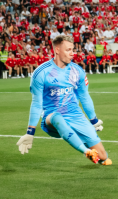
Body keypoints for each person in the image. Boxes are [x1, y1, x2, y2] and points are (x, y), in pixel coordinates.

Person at [16, 35, 111, 165]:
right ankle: (85, 150)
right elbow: (37, 103)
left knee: (103, 157)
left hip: (75, 115)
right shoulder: (41, 73)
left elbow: (84, 96)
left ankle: (87, 146)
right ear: (57, 50)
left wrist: (93, 120)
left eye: (73, 49)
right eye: (68, 50)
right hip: (51, 117)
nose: (73, 53)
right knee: (57, 118)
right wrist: (30, 132)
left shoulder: (78, 71)